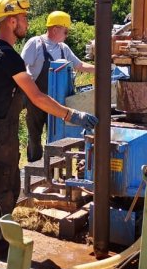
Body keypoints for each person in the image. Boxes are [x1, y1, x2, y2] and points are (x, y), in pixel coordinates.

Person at [0, 0, 98, 263]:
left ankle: (3, 245)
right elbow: (37, 97)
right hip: (0, 135)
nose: (26, 22)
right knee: (2, 192)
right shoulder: (9, 57)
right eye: (23, 17)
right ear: (11, 20)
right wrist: (73, 115)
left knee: (9, 187)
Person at [20, 11, 96, 163]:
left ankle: (54, 167)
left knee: (56, 135)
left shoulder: (64, 48)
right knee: (34, 135)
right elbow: (22, 66)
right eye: (65, 31)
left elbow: (79, 65)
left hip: (57, 102)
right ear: (55, 29)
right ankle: (34, 166)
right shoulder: (35, 43)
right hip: (36, 99)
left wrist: (101, 69)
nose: (67, 35)